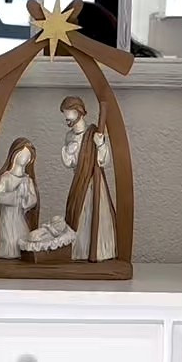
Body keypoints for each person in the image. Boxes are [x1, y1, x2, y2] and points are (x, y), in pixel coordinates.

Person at [61, 97, 116, 262]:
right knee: (78, 215)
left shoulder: (93, 133)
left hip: (94, 183)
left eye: (68, 113)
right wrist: (69, 152)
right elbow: (70, 163)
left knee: (95, 217)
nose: (66, 118)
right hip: (78, 181)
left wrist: (100, 144)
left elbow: (104, 161)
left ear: (78, 112)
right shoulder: (69, 136)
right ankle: (80, 252)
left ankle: (99, 251)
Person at [0, 138, 38, 259]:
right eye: (22, 154)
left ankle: (22, 254)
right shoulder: (6, 177)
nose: (25, 158)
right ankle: (6, 254)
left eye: (28, 156)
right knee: (8, 239)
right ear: (14, 154)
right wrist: (16, 194)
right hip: (7, 216)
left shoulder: (27, 180)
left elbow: (33, 200)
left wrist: (26, 198)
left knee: (22, 237)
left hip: (19, 216)